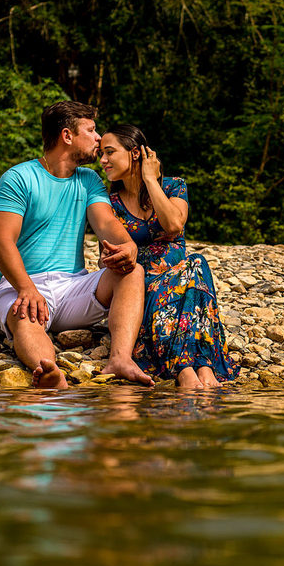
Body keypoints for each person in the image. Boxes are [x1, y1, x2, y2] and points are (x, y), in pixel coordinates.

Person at [0, 101, 153, 389]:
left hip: (73, 288)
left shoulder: (88, 180)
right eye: (91, 130)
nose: (99, 138)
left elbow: (106, 222)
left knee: (133, 271)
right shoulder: (18, 178)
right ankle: (51, 374)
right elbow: (1, 242)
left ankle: (120, 359)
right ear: (67, 135)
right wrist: (26, 288)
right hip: (20, 284)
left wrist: (128, 246)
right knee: (25, 316)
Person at [98, 123, 239, 390]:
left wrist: (150, 181)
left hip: (183, 283)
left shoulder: (174, 186)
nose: (103, 160)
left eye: (109, 152)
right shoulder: (110, 202)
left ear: (135, 153)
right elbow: (103, 259)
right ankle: (189, 370)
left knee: (195, 265)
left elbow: (174, 224)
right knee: (193, 271)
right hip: (140, 291)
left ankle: (201, 368)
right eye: (101, 154)